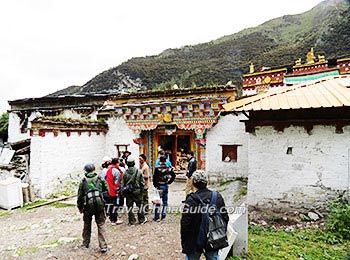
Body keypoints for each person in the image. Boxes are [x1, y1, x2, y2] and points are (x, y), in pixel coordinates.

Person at [181, 170, 229, 260]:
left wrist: (185, 242)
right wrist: (220, 233)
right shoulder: (217, 197)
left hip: (194, 239)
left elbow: (185, 223)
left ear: (193, 183)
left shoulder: (191, 199)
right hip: (213, 237)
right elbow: (225, 218)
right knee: (213, 257)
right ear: (207, 182)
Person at [77, 163, 109, 253]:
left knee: (87, 225)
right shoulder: (100, 179)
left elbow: (79, 196)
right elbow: (107, 191)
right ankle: (103, 246)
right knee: (101, 224)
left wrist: (80, 207)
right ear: (94, 169)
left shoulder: (83, 181)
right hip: (99, 206)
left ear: (85, 171)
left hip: (87, 207)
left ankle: (85, 243)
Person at [121, 158, 147, 225]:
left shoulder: (125, 173)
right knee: (140, 206)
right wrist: (142, 191)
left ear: (127, 164)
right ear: (134, 163)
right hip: (137, 192)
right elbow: (142, 183)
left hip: (129, 192)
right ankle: (141, 219)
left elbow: (122, 184)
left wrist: (123, 192)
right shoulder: (139, 172)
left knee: (130, 207)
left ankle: (131, 221)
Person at [152, 156, 175, 221]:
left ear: (160, 161)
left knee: (158, 201)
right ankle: (163, 214)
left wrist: (155, 185)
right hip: (165, 185)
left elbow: (154, 178)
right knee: (165, 201)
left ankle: (157, 217)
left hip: (159, 185)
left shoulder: (157, 168)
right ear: (165, 161)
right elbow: (173, 176)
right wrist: (169, 182)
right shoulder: (168, 168)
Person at [105, 158, 123, 225]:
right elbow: (117, 182)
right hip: (113, 191)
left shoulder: (109, 170)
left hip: (108, 190)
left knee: (110, 205)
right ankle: (114, 220)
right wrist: (117, 191)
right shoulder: (116, 171)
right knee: (114, 205)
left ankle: (111, 218)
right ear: (117, 163)